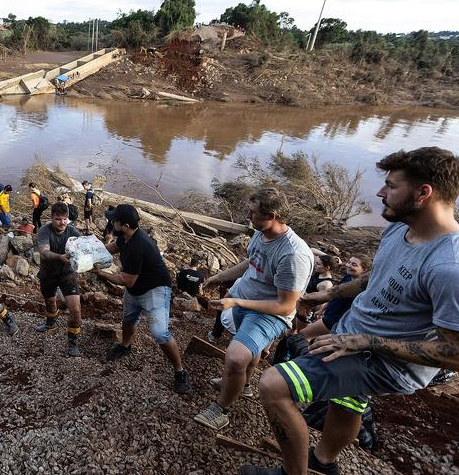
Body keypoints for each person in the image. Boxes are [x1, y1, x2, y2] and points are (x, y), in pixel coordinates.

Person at [244, 147, 459, 475]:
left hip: (384, 361)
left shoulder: (449, 267)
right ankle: (324, 462)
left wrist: (367, 342)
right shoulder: (400, 228)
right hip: (356, 338)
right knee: (346, 401)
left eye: (391, 185)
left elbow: (453, 354)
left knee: (274, 385)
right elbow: (375, 279)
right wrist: (323, 296)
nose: (380, 192)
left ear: (423, 193)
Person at [194, 187, 313, 431]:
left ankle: (221, 410)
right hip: (246, 298)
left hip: (270, 312)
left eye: (252, 213)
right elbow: (253, 261)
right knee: (249, 349)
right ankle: (243, 385)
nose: (247, 218)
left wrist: (236, 302)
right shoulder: (261, 233)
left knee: (236, 357)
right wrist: (221, 276)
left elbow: (286, 305)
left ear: (271, 215)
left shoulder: (292, 254)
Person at [92, 204, 191, 394]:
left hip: (154, 290)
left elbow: (126, 279)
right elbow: (112, 247)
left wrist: (101, 272)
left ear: (126, 225)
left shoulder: (140, 245)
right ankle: (125, 345)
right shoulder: (125, 236)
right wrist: (90, 252)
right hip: (135, 288)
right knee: (128, 319)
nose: (111, 222)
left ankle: (180, 371)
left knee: (160, 333)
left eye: (115, 220)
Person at [34, 202, 84, 356]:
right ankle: (51, 322)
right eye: (58, 219)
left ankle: (73, 341)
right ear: (51, 218)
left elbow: (85, 248)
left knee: (75, 310)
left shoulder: (73, 232)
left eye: (65, 219)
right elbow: (44, 253)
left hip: (67, 274)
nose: (62, 222)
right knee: (50, 301)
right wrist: (60, 257)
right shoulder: (44, 231)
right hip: (48, 273)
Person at [297, 255, 373, 341]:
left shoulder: (362, 289)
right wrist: (322, 309)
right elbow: (335, 294)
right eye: (349, 262)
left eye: (354, 264)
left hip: (336, 320)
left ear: (365, 270)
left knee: (302, 336)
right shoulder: (348, 277)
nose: (348, 265)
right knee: (312, 339)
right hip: (330, 313)